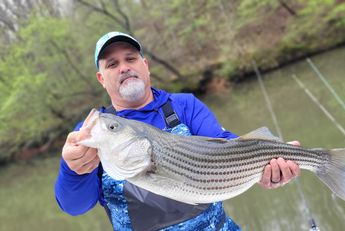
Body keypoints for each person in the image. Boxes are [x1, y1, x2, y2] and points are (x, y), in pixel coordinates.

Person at [54, 31, 300, 231]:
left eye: (130, 58)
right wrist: (72, 170)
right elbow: (75, 206)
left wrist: (268, 167)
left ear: (145, 65)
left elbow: (228, 147)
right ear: (101, 78)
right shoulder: (93, 131)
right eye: (112, 64)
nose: (124, 68)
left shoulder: (184, 105)